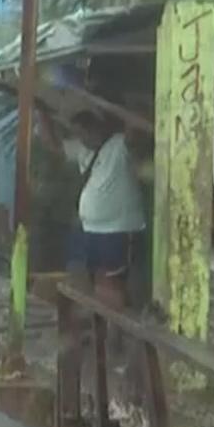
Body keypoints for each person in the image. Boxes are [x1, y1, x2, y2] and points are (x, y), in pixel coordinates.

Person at [53, 109, 147, 307]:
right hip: (91, 231)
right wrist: (41, 112)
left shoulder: (119, 144)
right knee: (90, 283)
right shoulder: (85, 151)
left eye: (84, 133)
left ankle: (115, 326)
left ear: (96, 128)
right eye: (78, 135)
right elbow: (55, 146)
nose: (82, 139)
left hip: (116, 230)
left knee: (111, 284)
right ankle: (100, 324)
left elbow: (135, 131)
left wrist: (121, 110)